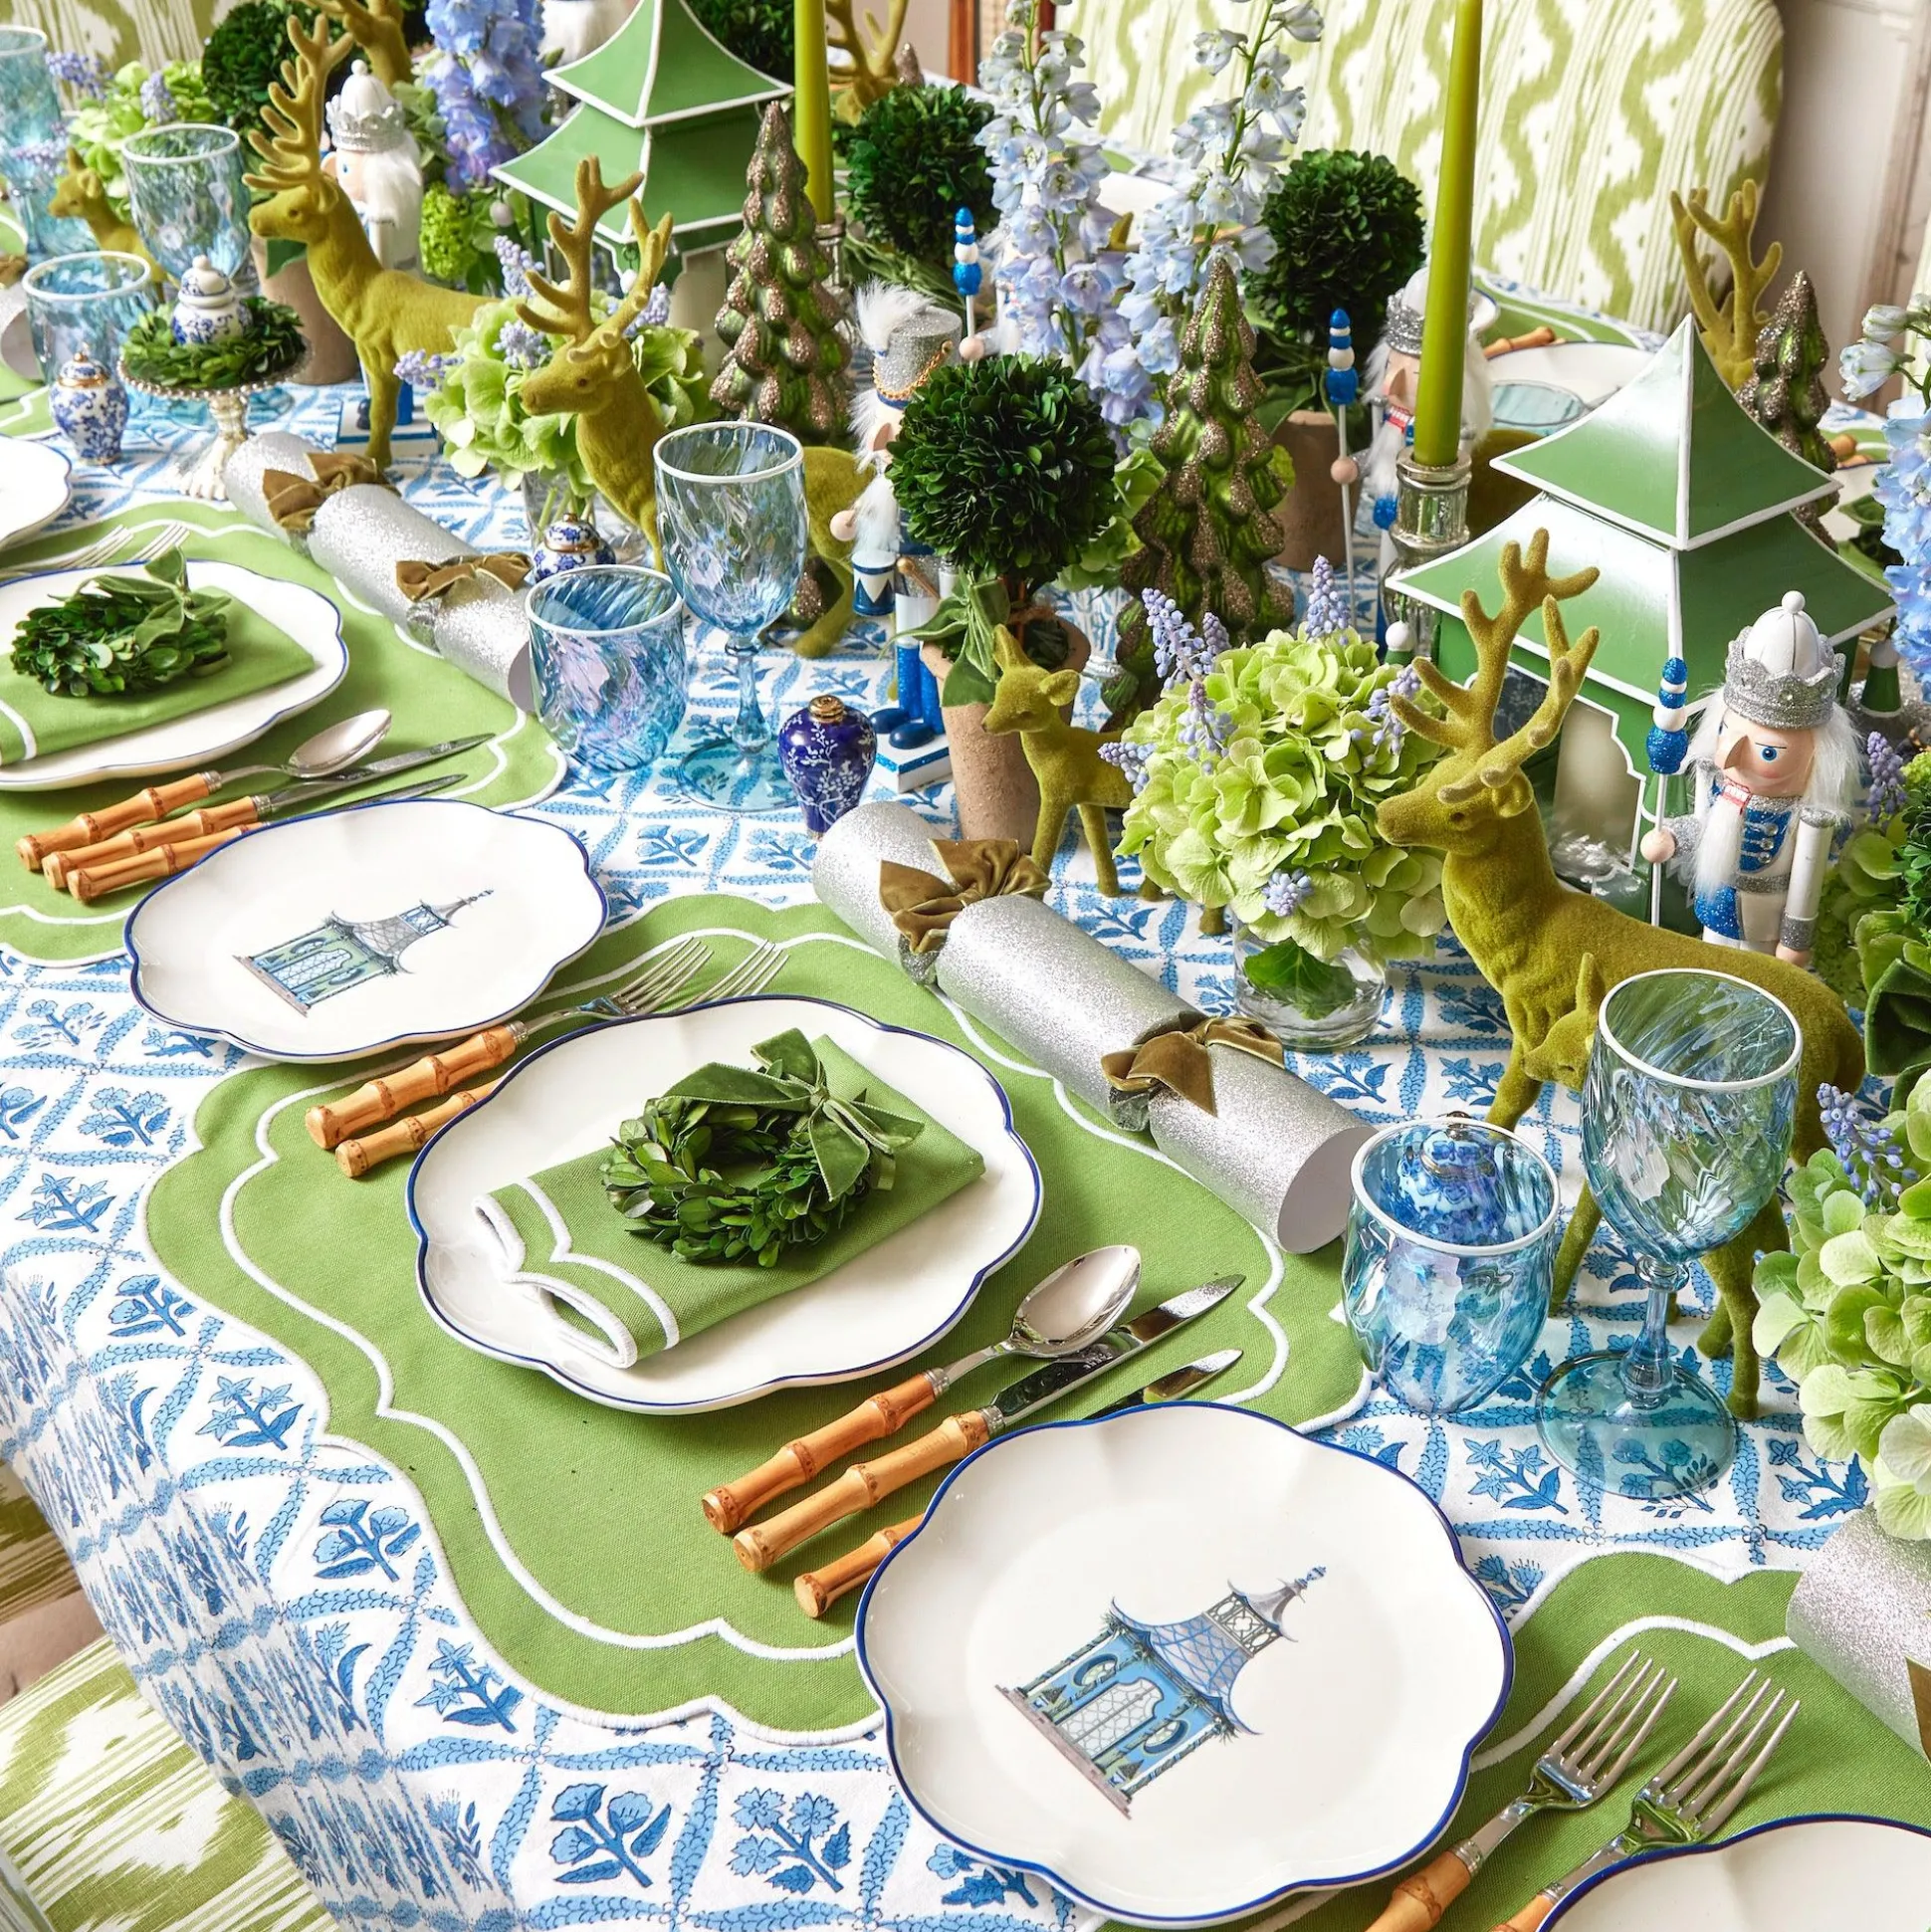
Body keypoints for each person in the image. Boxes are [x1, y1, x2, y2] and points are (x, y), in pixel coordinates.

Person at [1639, 591, 1862, 966]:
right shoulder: (1716, 783)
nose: (1728, 756)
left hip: (1765, 921)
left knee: (1756, 977)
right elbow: (1702, 827)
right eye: (1725, 731)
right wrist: (1672, 838)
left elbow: (1806, 882)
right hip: (1715, 904)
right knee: (1710, 966)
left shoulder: (1808, 819)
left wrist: (1795, 939)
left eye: (1768, 751)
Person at [1330, 262, 1496, 634]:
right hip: (1389, 519)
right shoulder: (1393, 419)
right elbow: (1380, 457)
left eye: (1415, 373)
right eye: (1391, 365)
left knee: (1419, 598)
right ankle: (1384, 641)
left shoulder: (1452, 435)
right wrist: (1354, 465)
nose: (1392, 384)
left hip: (1429, 532)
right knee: (1385, 585)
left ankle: (1417, 645)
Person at [324, 62, 424, 273]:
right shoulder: (364, 207)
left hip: (393, 280)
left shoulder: (379, 218)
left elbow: (382, 269)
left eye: (345, 169)